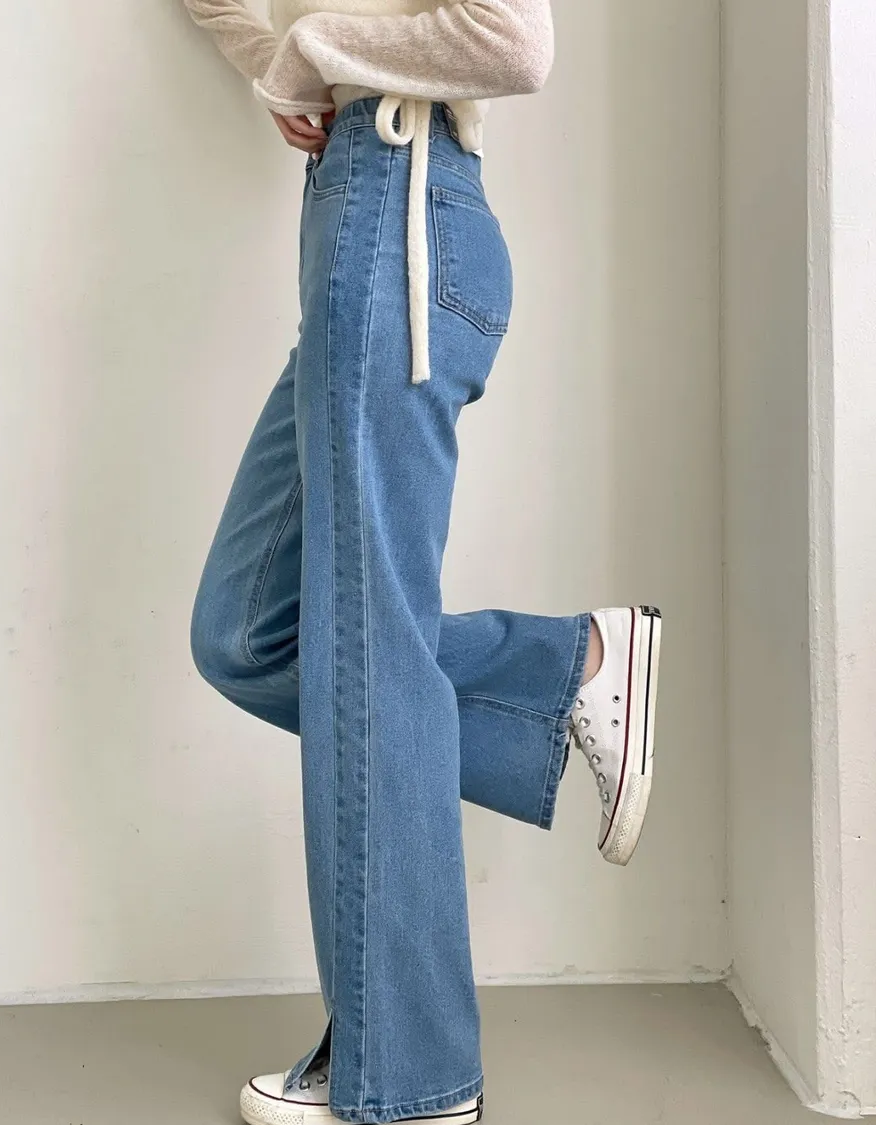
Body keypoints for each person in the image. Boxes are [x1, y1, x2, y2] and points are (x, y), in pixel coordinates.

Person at [184, 2, 662, 1122]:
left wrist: (309, 52)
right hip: (352, 218)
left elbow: (510, 39)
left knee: (369, 652)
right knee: (247, 633)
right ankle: (570, 668)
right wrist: (278, 64)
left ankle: (410, 1080)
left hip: (403, 200)